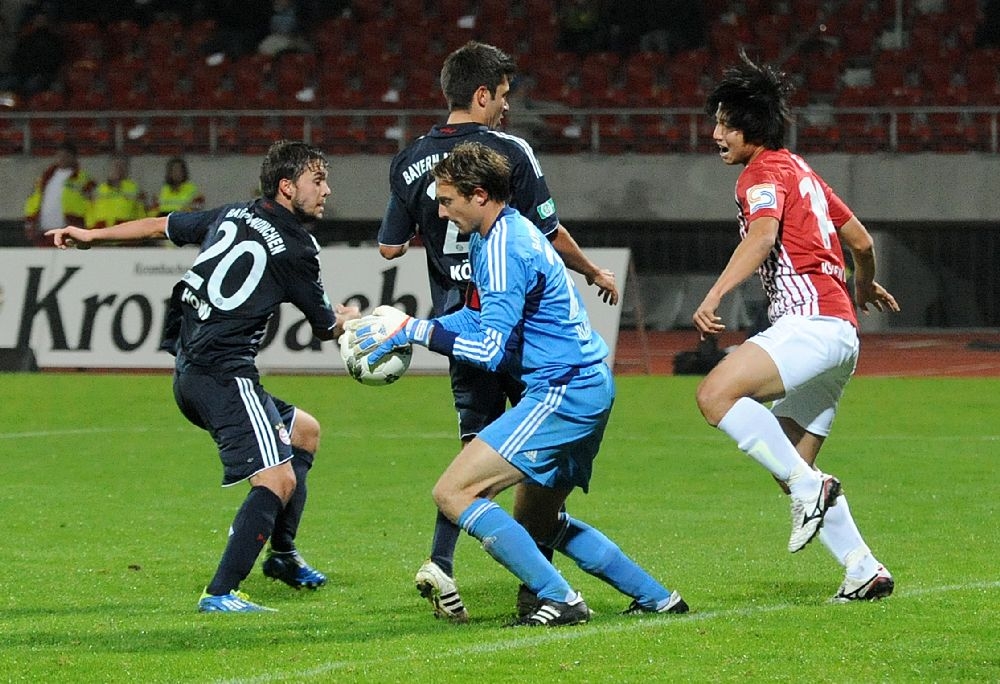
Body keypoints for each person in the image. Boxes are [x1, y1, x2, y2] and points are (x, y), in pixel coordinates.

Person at [350, 141, 687, 626]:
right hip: (586, 385)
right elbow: (478, 320)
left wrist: (415, 331)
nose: (440, 214)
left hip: (563, 392)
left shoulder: (505, 247)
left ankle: (561, 599)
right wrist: (407, 326)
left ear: (479, 195)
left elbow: (490, 350)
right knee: (539, 522)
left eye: (447, 201)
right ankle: (656, 597)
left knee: (454, 493)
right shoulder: (497, 234)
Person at [46, 140, 359, 612]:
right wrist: (355, 320)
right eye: (318, 181)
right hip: (224, 377)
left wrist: (91, 236)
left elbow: (160, 225)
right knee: (277, 480)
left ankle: (282, 555)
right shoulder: (297, 247)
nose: (327, 191)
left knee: (304, 433)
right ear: (287, 186)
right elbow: (326, 327)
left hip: (191, 369)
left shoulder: (235, 213)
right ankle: (220, 592)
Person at [377, 40, 619, 622]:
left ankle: (443, 563)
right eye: (504, 95)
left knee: (476, 448)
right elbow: (548, 232)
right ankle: (540, 591)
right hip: (517, 331)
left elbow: (389, 247)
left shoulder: (410, 160)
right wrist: (590, 270)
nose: (507, 107)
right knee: (533, 461)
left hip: (458, 323)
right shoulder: (509, 152)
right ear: (482, 94)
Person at [692, 52, 900, 602]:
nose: (715, 135)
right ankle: (862, 568)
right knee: (790, 464)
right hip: (842, 335)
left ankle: (814, 488)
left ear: (750, 128)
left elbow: (762, 237)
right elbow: (862, 242)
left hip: (808, 323)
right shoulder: (803, 169)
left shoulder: (759, 174)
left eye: (724, 125)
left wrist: (714, 293)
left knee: (714, 395)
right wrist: (861, 287)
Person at [23, 141, 94, 247]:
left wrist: (87, 227)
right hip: (43, 233)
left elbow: (91, 204)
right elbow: (34, 200)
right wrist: (30, 220)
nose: (61, 159)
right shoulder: (46, 177)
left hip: (69, 231)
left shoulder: (82, 179)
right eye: (59, 155)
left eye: (65, 156)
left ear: (73, 157)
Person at [87, 153, 148, 230]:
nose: (117, 169)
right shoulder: (99, 189)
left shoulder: (134, 188)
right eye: (114, 166)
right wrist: (91, 228)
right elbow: (90, 209)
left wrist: (140, 230)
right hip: (102, 230)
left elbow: (141, 211)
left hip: (125, 231)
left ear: (126, 169)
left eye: (121, 166)